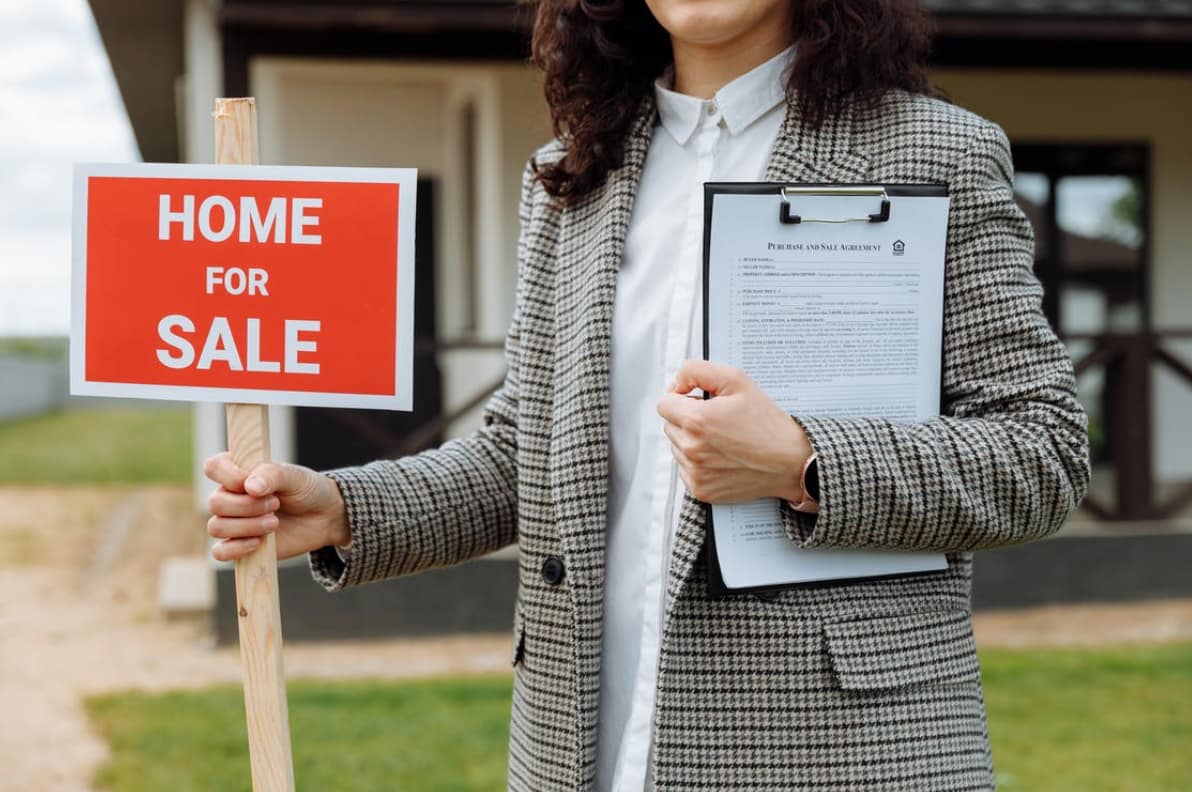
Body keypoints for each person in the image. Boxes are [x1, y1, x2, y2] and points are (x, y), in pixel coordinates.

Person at [204, 0, 1090, 789]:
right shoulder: (570, 175)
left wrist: (803, 462)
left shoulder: (936, 152)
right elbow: (528, 452)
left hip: (838, 750)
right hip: (579, 742)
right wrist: (343, 508)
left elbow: (1040, 450)